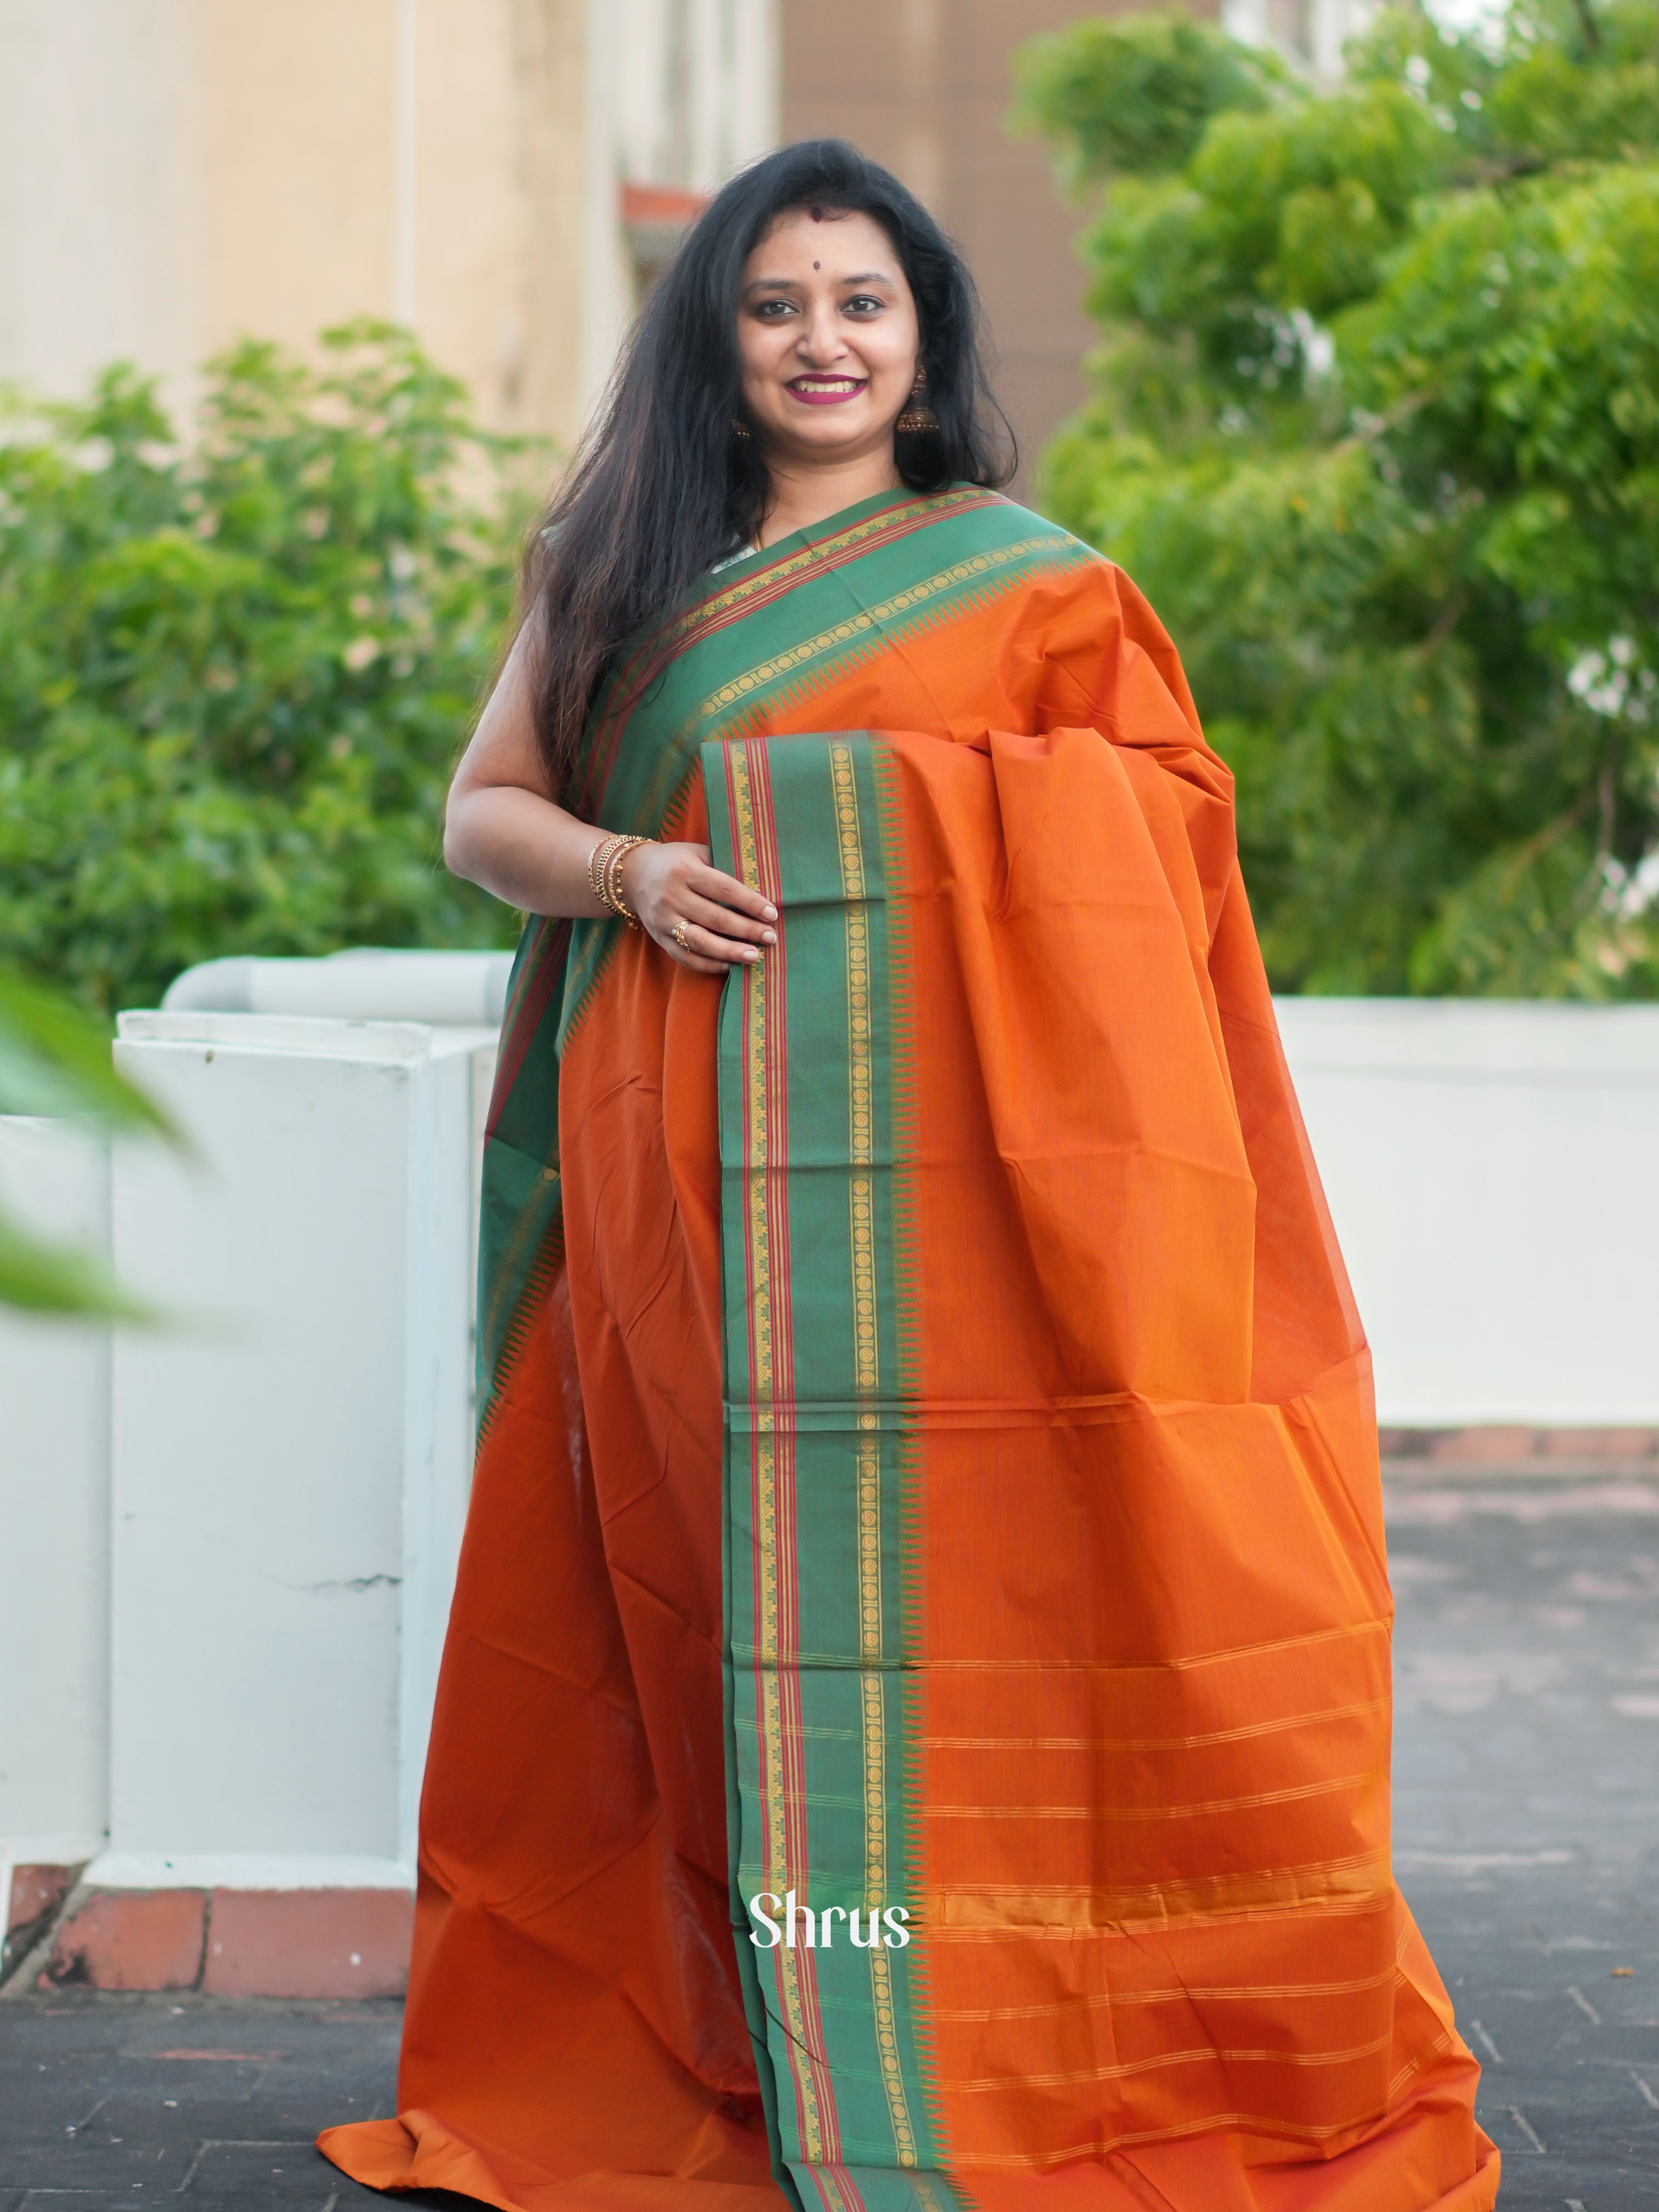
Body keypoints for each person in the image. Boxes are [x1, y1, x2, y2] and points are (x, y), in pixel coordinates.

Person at [320, 140, 1498, 2212]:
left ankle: (993, 2037)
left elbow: (1164, 847)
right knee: (711, 1611)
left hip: (980, 1218)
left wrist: (869, 822)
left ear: (929, 346)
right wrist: (634, 866)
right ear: (718, 343)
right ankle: (774, 2046)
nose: (821, 340)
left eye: (863, 303)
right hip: (684, 1194)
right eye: (775, 305)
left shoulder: (1035, 587)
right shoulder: (608, 561)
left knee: (1010, 1604)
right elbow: (484, 814)